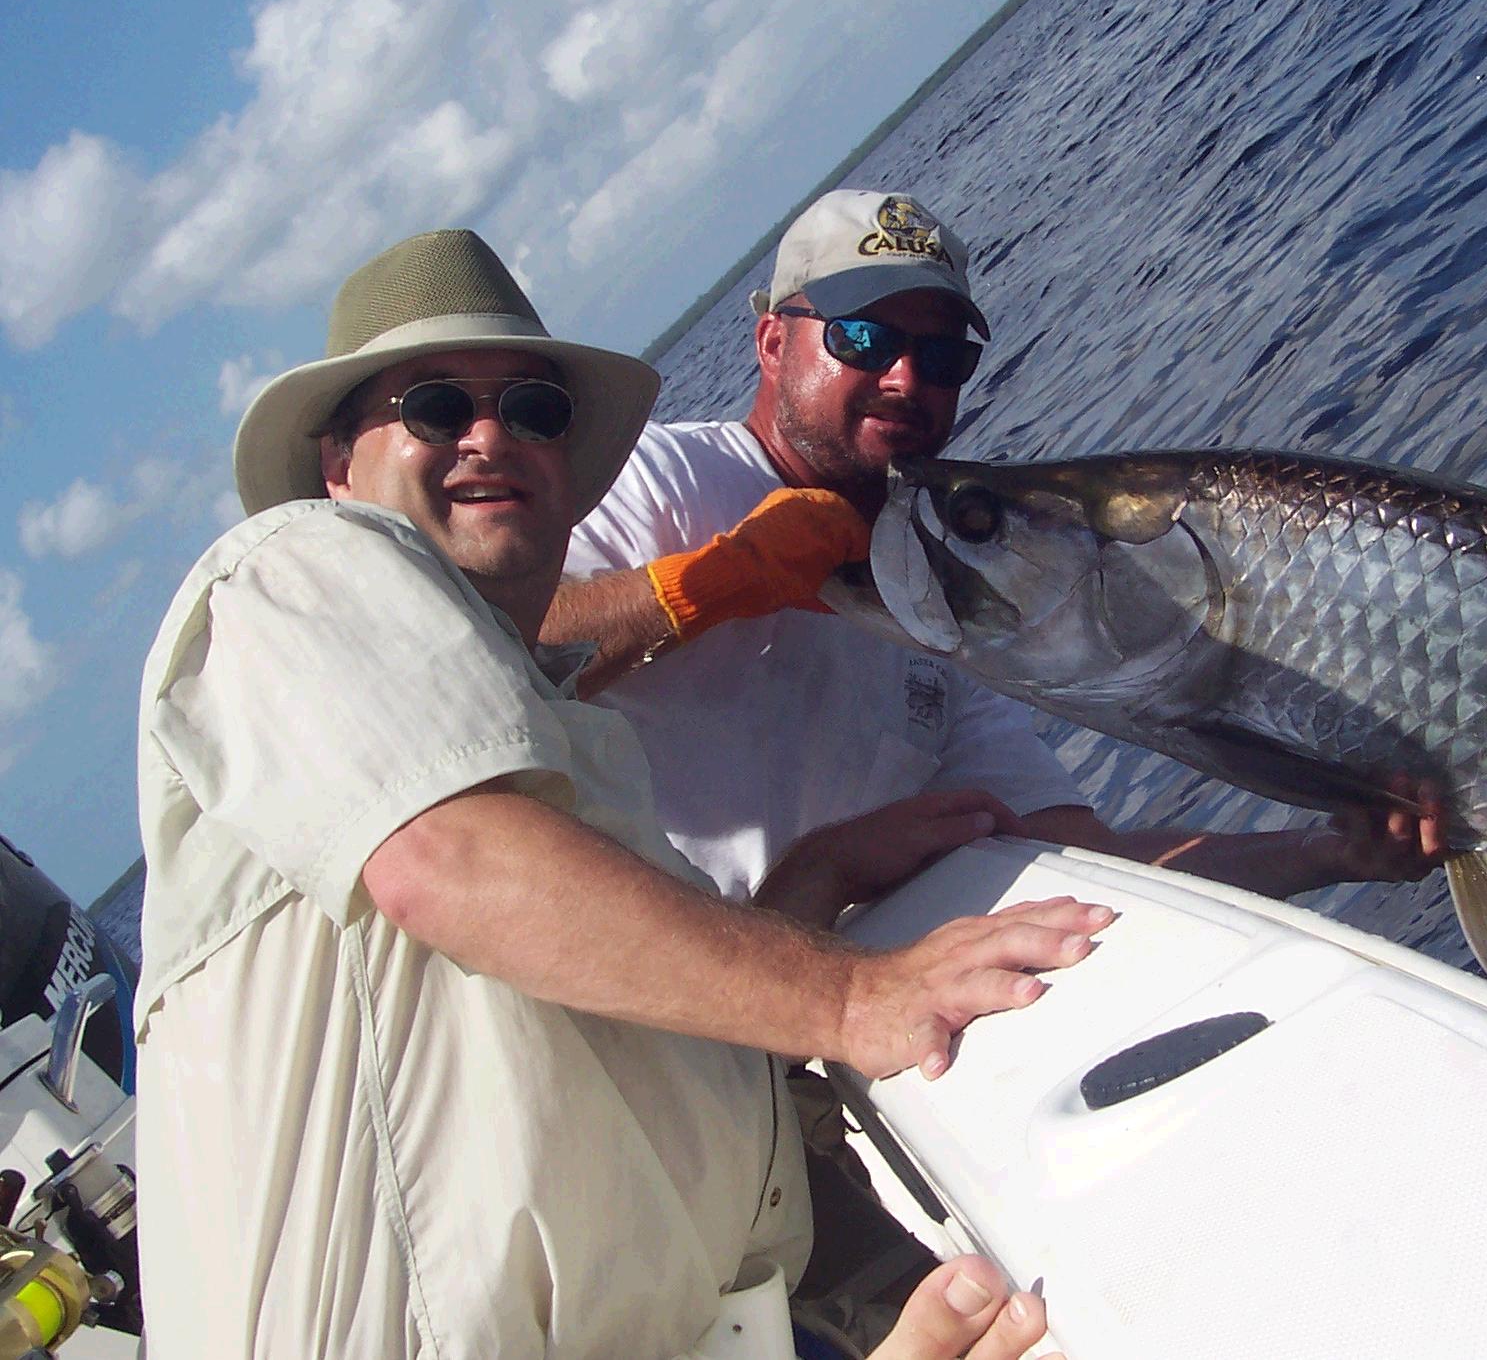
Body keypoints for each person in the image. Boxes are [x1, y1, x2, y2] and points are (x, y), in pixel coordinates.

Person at [133, 228, 1103, 1359]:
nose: (491, 435)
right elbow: (449, 867)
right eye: (438, 406)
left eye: (537, 410)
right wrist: (851, 995)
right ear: (337, 464)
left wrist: (816, 878)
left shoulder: (569, 746)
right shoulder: (287, 572)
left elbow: (622, 1017)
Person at [545, 188, 1447, 929]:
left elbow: (1088, 869)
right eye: (864, 337)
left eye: (941, 356)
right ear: (774, 342)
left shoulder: (944, 596)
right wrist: (714, 581)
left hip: (848, 1002)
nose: (906, 379)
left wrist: (1329, 851)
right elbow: (480, 654)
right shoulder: (661, 477)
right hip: (679, 1021)